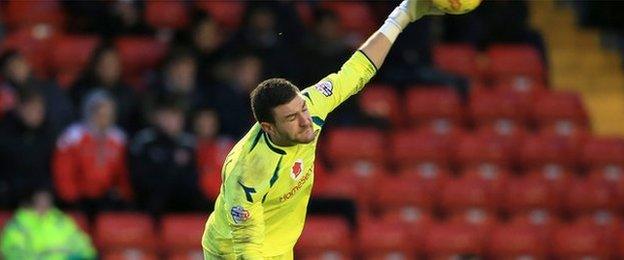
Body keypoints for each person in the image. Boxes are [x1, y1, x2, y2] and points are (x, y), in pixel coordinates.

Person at [201, 0, 442, 258]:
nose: (306, 121)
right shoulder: (249, 171)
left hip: (279, 246)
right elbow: (247, 248)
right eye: (292, 117)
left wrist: (403, 14)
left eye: (302, 109)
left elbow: (357, 70)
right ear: (268, 127)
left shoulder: (312, 105)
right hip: (230, 250)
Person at [52, 90, 132, 216]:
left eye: (108, 115)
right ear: (90, 113)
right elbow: (63, 170)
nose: (105, 119)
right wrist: (71, 198)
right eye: (101, 115)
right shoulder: (73, 136)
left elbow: (123, 173)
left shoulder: (119, 138)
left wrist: (122, 194)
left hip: (108, 200)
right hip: (78, 200)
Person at [130, 97, 205, 216]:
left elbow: (194, 179)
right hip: (151, 202)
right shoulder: (145, 142)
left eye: (176, 116)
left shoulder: (189, 144)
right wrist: (172, 163)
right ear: (157, 117)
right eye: (168, 116)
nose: (172, 121)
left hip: (183, 202)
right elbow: (140, 179)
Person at [0, 188, 96, 259]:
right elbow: (13, 253)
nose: (44, 204)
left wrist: (82, 256)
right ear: (31, 202)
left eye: (47, 200)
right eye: (40, 200)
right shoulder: (19, 225)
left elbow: (82, 245)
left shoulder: (61, 220)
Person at [0, 88, 56, 208]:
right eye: (31, 109)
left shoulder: (48, 133)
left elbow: (51, 169)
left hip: (40, 196)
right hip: (9, 197)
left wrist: (45, 191)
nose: (36, 114)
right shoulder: (5, 133)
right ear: (20, 109)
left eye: (39, 110)